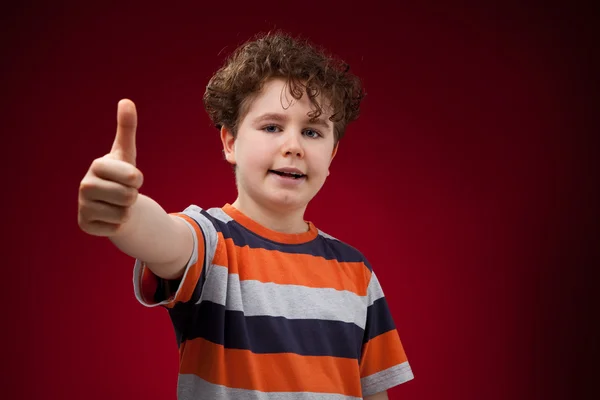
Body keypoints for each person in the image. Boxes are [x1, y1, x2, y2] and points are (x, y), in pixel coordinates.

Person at [77, 31, 414, 400]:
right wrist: (125, 212)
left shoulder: (357, 272)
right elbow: (163, 237)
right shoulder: (210, 244)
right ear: (230, 142)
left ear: (332, 156)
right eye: (272, 127)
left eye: (313, 132)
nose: (293, 147)